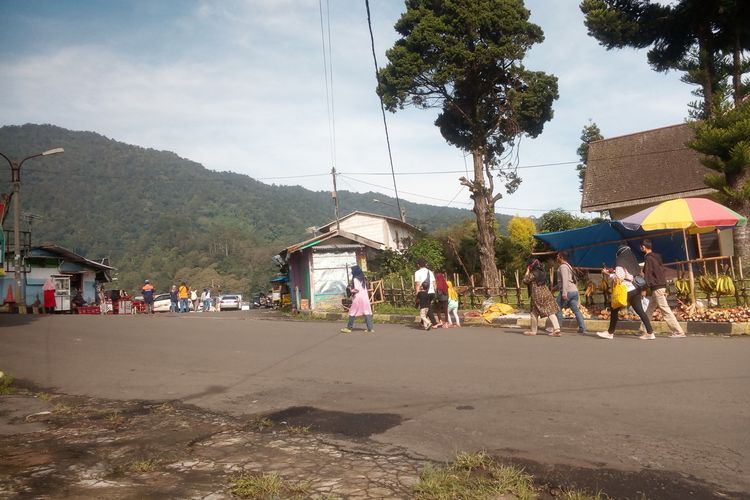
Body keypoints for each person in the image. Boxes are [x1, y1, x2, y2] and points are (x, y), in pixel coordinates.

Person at [596, 245, 654, 340]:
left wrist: (608, 274)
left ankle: (610, 333)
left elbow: (619, 277)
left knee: (614, 309)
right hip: (635, 289)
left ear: (619, 253)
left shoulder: (620, 261)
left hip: (625, 289)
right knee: (640, 311)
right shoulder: (632, 261)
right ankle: (650, 332)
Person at [640, 239, 686, 338]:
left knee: (665, 310)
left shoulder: (648, 258)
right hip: (660, 285)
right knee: (649, 309)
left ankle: (678, 331)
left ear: (643, 247)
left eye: (641, 247)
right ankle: (644, 329)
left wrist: (644, 288)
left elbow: (647, 274)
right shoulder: (657, 257)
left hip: (656, 287)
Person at [523, 259, 561, 336]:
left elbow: (525, 280)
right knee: (536, 312)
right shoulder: (542, 272)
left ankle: (534, 331)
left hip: (538, 296)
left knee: (544, 312)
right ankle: (556, 329)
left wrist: (527, 271)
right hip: (546, 293)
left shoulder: (533, 274)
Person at [554, 252, 587, 335]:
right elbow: (565, 281)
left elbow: (565, 280)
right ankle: (582, 328)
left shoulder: (563, 267)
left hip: (567, 291)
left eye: (557, 256)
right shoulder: (569, 266)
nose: (556, 257)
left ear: (561, 257)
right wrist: (555, 288)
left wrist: (564, 293)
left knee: (557, 307)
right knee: (576, 310)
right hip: (574, 291)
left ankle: (558, 327)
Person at [340, 265, 374, 333]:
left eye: (352, 271)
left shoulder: (355, 279)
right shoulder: (363, 278)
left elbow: (356, 289)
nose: (352, 272)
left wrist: (350, 290)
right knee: (366, 311)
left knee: (352, 312)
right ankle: (370, 328)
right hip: (365, 297)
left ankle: (349, 328)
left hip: (358, 297)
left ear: (355, 271)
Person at [413, 259, 437, 328]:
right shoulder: (430, 272)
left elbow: (417, 283)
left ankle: (434, 323)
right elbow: (434, 282)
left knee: (426, 307)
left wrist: (417, 293)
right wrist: (435, 291)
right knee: (427, 307)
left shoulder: (417, 272)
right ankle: (422, 322)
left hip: (424, 292)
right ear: (425, 264)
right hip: (432, 292)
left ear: (418, 265)